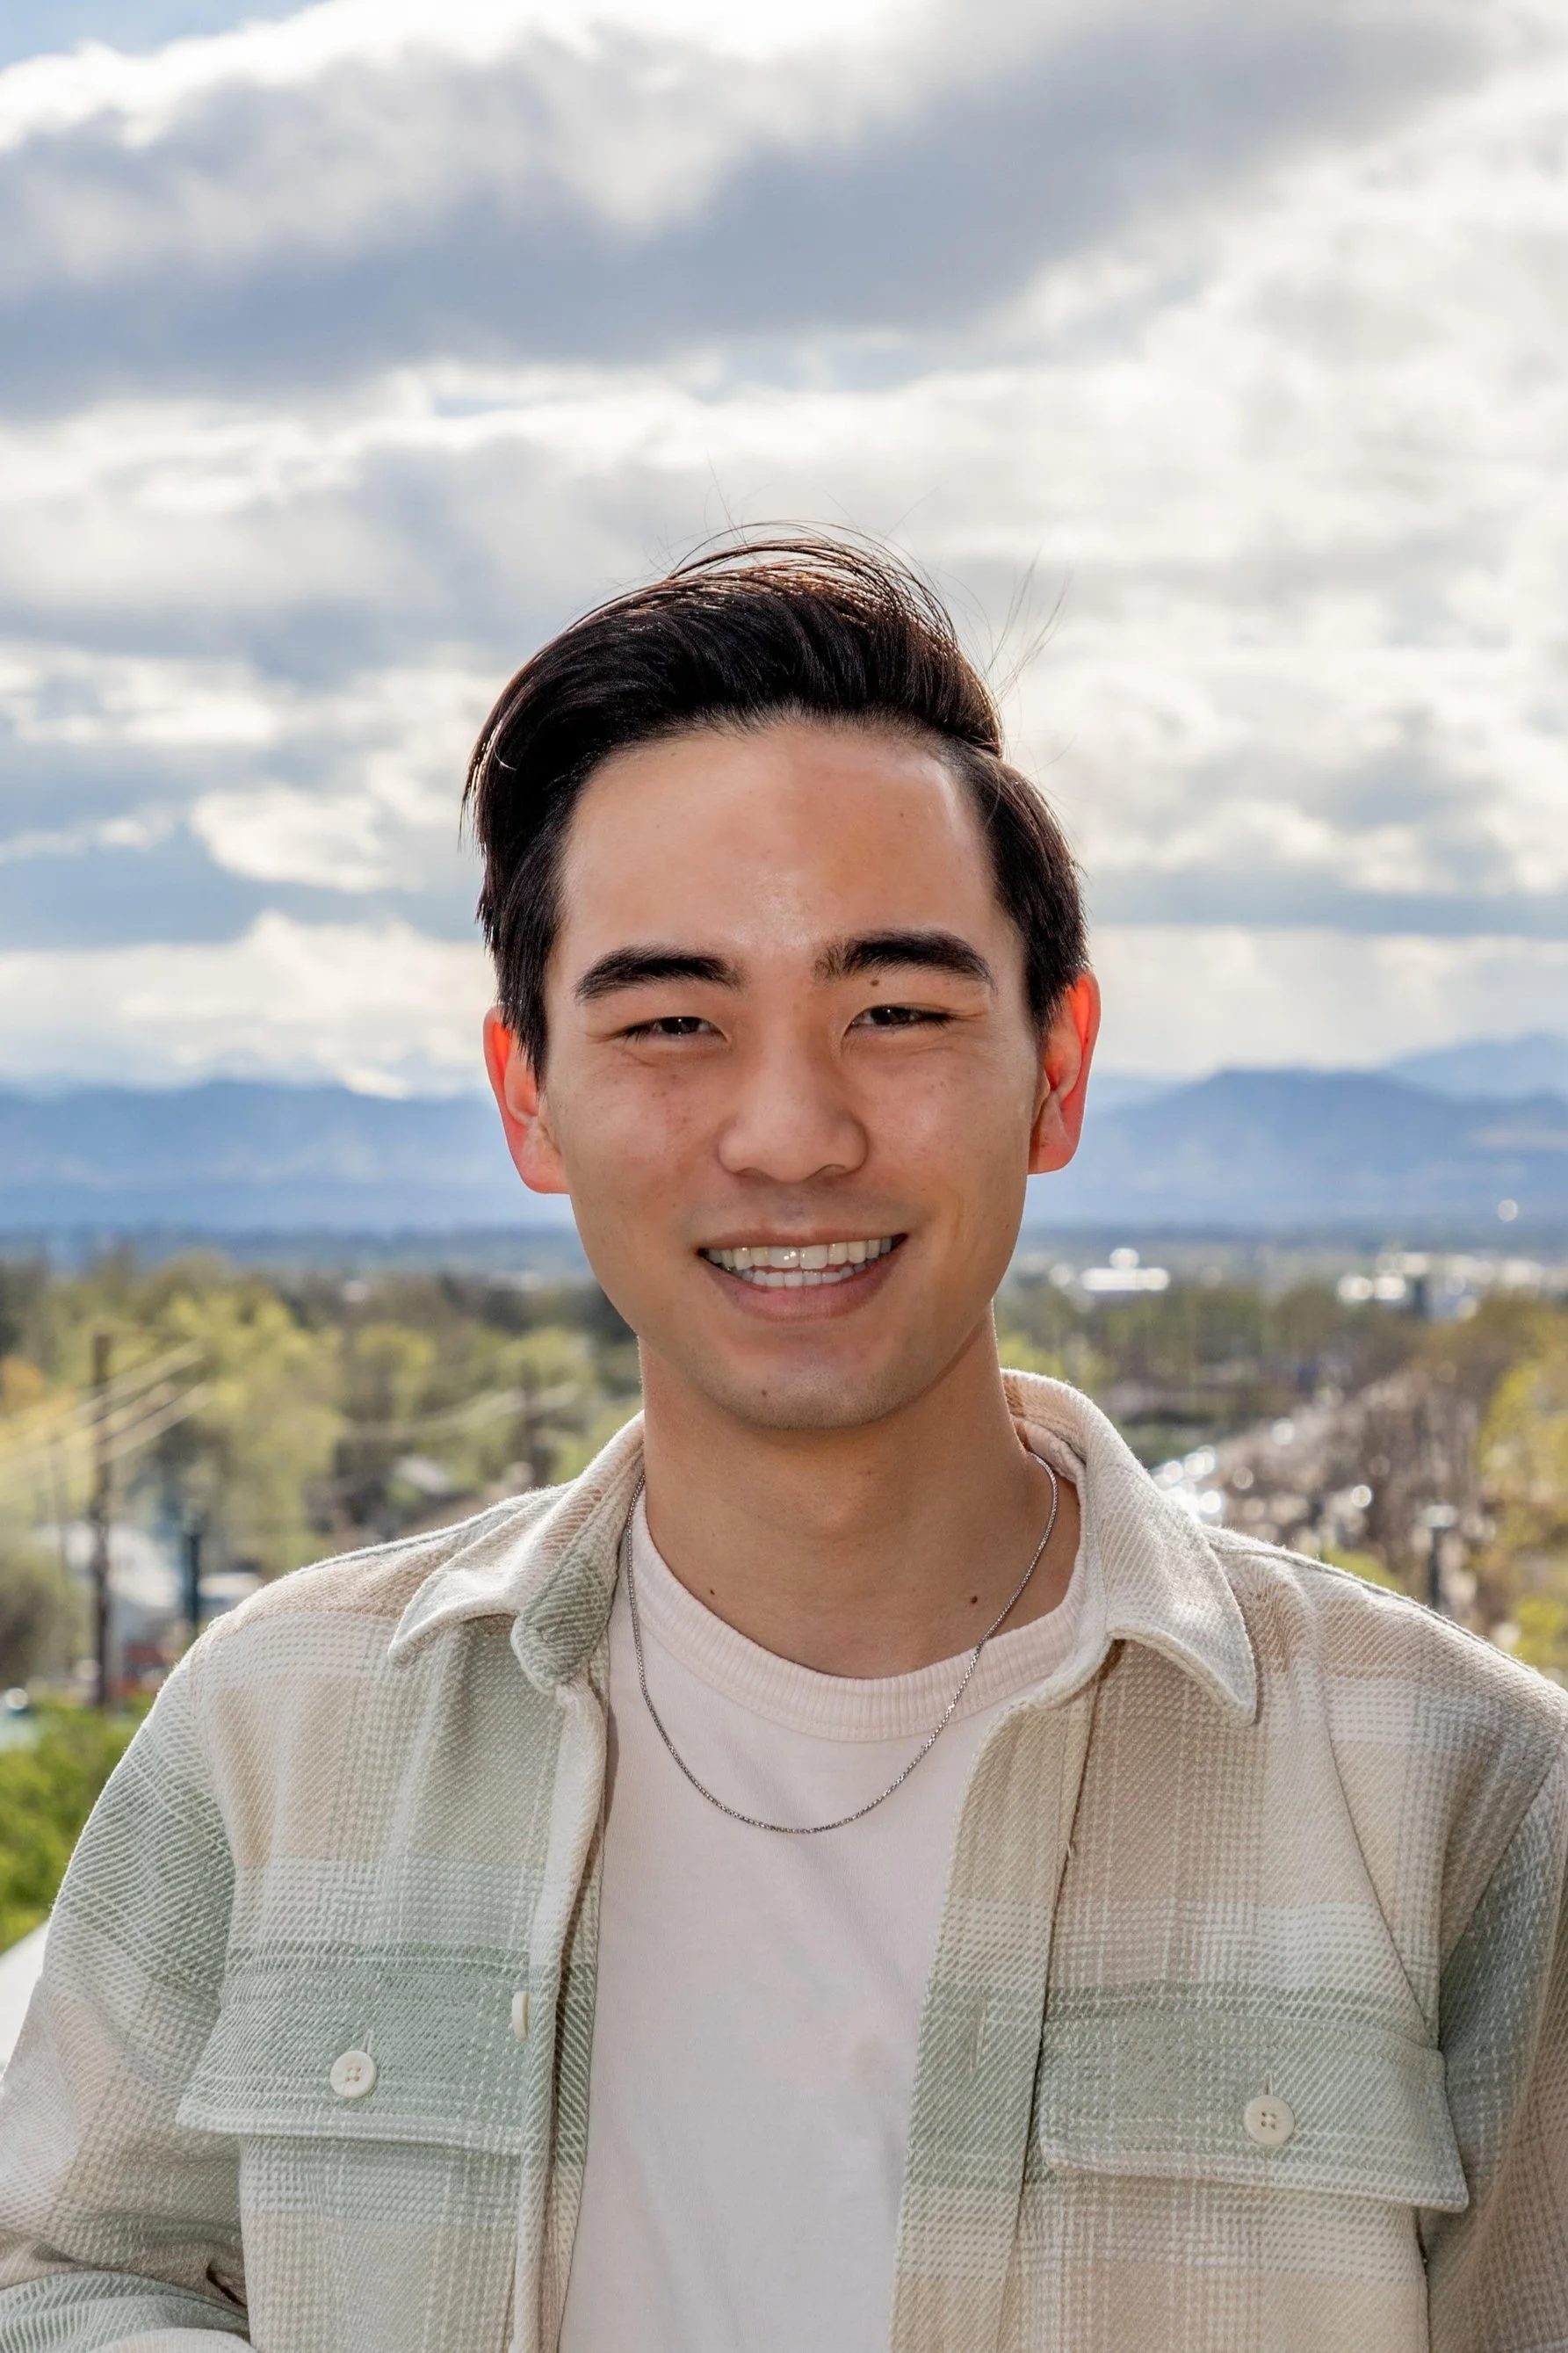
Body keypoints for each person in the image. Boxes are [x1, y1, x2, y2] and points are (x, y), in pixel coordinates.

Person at [0, 539, 1564, 2353]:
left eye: (892, 1012)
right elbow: (62, 2268)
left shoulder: (1460, 1792)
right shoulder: (280, 1732)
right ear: (528, 1097)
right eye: (673, 1022)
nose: (790, 1130)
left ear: (1055, 1069)